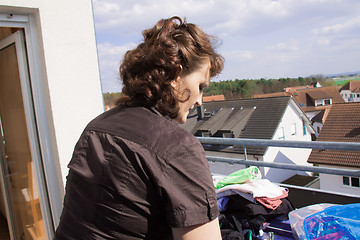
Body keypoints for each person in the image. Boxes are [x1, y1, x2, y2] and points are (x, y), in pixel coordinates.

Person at [54, 16, 224, 240]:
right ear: (175, 75)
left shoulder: (96, 127)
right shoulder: (179, 148)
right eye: (200, 86)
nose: (200, 100)